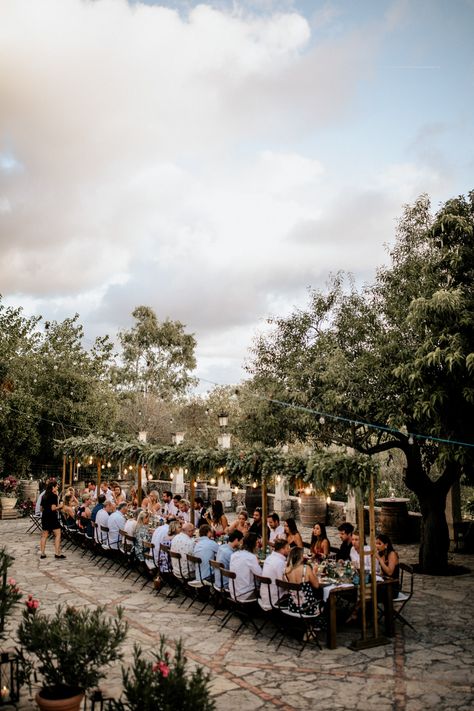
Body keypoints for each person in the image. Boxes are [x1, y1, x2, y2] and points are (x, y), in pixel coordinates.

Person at [284, 546, 321, 615]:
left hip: (292, 606)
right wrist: (314, 572)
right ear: (300, 557)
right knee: (324, 598)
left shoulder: (286, 570)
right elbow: (316, 586)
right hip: (307, 607)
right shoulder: (306, 568)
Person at [259, 539, 290, 610]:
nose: (289, 550)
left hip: (264, 596)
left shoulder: (269, 558)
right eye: (287, 548)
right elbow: (283, 583)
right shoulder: (280, 562)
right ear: (282, 549)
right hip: (275, 598)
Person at [229, 532, 261, 600]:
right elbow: (260, 575)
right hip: (245, 594)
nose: (258, 545)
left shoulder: (234, 555)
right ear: (253, 544)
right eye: (257, 542)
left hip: (233, 592)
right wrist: (257, 562)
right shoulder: (251, 557)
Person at [39, 482, 65, 559]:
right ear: (53, 487)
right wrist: (60, 506)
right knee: (58, 534)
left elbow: (41, 509)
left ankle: (42, 553)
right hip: (52, 517)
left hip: (45, 516)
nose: (57, 488)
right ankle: (57, 553)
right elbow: (53, 508)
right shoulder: (54, 496)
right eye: (56, 487)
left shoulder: (43, 496)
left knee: (44, 536)